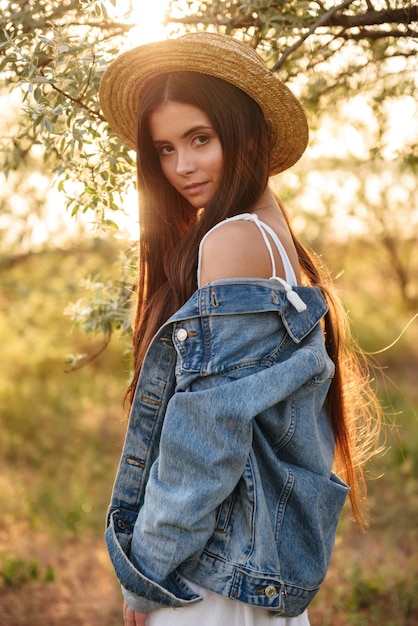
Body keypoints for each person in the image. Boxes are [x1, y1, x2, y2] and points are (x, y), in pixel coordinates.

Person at [99, 32, 381, 626]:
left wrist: (147, 571)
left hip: (209, 579)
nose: (182, 167)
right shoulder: (273, 236)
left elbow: (205, 437)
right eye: (166, 148)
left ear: (243, 130)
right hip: (247, 569)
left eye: (200, 139)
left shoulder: (232, 241)